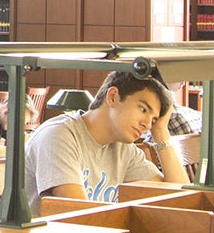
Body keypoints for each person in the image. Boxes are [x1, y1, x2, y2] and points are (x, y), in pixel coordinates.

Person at [25, 71, 171, 202]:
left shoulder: (123, 148)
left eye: (153, 120)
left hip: (97, 230)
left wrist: (161, 131)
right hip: (56, 231)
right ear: (113, 97)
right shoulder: (59, 136)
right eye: (143, 109)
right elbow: (79, 215)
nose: (147, 125)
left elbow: (177, 200)